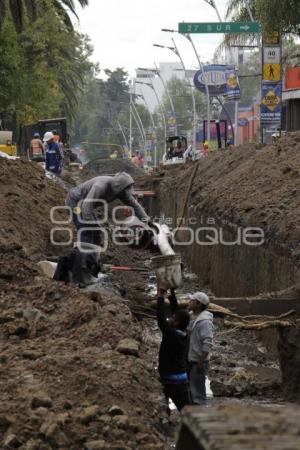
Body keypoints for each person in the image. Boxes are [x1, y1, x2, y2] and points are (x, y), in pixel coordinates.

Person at [65, 172, 151, 246]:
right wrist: (93, 224)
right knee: (85, 228)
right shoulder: (100, 187)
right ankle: (83, 256)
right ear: (120, 187)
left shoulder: (121, 191)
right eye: (125, 190)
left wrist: (147, 221)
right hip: (74, 204)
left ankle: (93, 255)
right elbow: (85, 207)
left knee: (96, 231)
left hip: (85, 204)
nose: (126, 193)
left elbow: (135, 205)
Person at [157, 287, 191, 412]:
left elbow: (160, 319)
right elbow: (178, 313)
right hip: (181, 379)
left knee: (164, 410)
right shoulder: (183, 333)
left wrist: (160, 297)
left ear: (176, 323)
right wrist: (171, 294)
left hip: (169, 380)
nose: (169, 318)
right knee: (186, 411)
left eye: (172, 317)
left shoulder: (171, 335)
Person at [187, 292, 214, 406]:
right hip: (190, 358)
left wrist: (201, 361)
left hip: (198, 360)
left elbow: (208, 342)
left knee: (198, 393)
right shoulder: (191, 316)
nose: (189, 302)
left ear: (198, 304)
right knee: (191, 390)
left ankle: (201, 413)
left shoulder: (205, 321)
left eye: (191, 301)